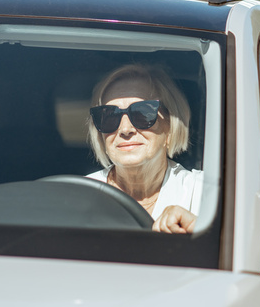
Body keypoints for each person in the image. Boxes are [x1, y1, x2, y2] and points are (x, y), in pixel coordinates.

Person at [86, 64, 202, 234]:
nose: (125, 129)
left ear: (170, 126)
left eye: (142, 113)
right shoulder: (79, 196)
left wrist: (200, 229)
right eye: (109, 116)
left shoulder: (204, 193)